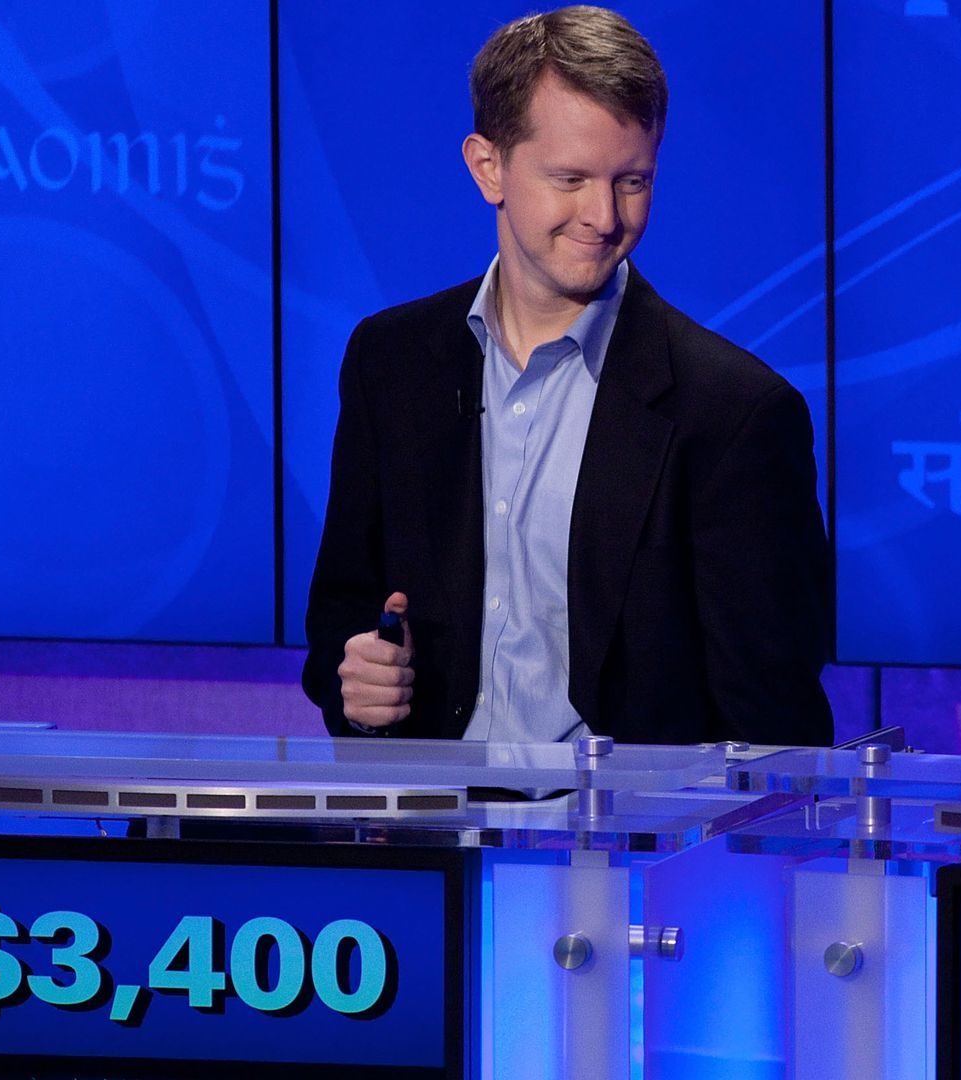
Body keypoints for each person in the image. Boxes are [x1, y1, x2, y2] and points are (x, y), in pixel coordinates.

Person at [301, 6, 833, 747]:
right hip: (431, 810)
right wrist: (358, 685)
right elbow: (343, 618)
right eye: (571, 178)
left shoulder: (734, 412)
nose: (604, 216)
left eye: (632, 181)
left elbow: (773, 724)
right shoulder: (390, 362)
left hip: (622, 820)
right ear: (488, 167)